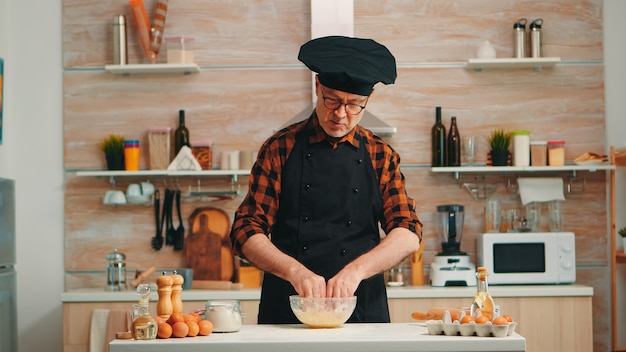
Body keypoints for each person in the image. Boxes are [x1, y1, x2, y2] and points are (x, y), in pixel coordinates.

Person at [230, 35, 422, 324]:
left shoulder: (380, 154)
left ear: (368, 100)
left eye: (354, 104)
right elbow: (246, 228)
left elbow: (408, 231)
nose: (341, 114)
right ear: (317, 86)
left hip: (363, 315)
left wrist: (355, 271)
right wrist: (295, 271)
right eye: (332, 100)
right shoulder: (279, 148)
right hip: (287, 313)